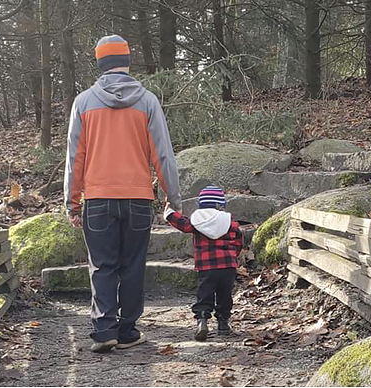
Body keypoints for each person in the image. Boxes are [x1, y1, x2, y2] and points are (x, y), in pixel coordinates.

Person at [64, 35, 181, 353]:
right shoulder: (148, 102)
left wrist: (72, 203)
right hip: (139, 199)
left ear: (100, 64)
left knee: (101, 265)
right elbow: (163, 155)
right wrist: (173, 196)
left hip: (98, 200)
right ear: (127, 62)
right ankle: (128, 330)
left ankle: (104, 330)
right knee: (132, 264)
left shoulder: (84, 103)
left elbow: (75, 157)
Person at [164, 186, 242, 341]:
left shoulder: (196, 221)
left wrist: (168, 213)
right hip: (227, 267)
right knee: (225, 295)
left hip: (206, 267)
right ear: (221, 204)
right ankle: (223, 324)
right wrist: (234, 256)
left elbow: (182, 224)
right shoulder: (231, 223)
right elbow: (238, 241)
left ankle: (202, 321)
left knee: (204, 294)